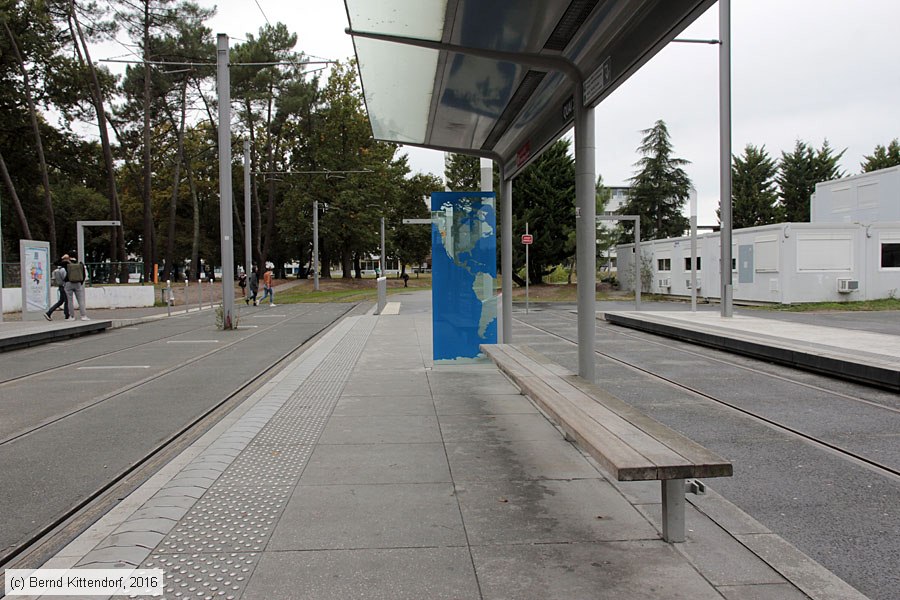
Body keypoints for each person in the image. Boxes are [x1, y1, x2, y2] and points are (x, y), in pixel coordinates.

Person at [64, 252, 89, 321]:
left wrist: (63, 258)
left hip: (68, 283)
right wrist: (80, 282)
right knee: (81, 300)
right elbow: (83, 275)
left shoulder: (66, 263)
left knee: (70, 300)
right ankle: (83, 316)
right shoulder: (80, 264)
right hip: (78, 283)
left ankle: (72, 316)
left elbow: (56, 263)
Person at [45, 255, 70, 321]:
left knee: (61, 301)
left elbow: (54, 278)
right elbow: (65, 278)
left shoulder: (56, 270)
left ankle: (49, 312)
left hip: (60, 286)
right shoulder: (63, 270)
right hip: (64, 286)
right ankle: (67, 315)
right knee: (67, 301)